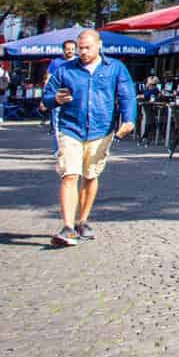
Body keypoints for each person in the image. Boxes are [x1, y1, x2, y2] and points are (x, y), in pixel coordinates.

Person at [43, 29, 137, 247]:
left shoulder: (115, 68)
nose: (83, 52)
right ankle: (67, 227)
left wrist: (129, 119)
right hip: (70, 128)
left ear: (99, 45)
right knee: (69, 174)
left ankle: (82, 221)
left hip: (101, 129)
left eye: (87, 48)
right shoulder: (65, 69)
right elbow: (47, 97)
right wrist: (54, 99)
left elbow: (126, 94)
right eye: (80, 48)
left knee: (90, 175)